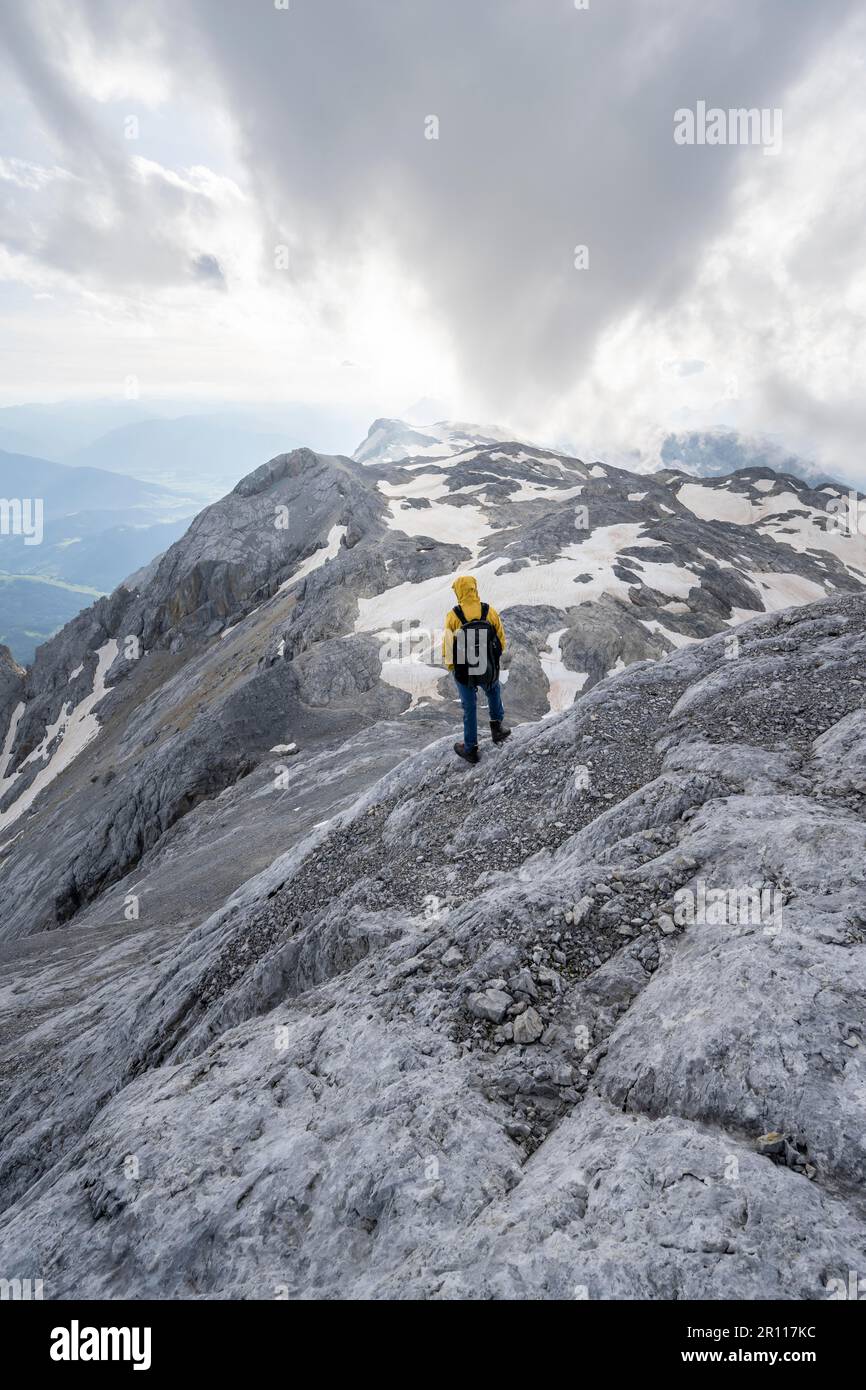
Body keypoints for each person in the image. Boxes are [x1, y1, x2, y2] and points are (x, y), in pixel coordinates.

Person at [442, 575, 510, 764]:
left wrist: (453, 668)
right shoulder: (489, 611)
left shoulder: (453, 616)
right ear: (474, 589)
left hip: (464, 669)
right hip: (487, 666)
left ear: (459, 592)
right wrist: (492, 661)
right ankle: (497, 729)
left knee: (469, 706)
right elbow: (501, 641)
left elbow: (448, 647)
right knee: (493, 690)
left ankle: (470, 748)